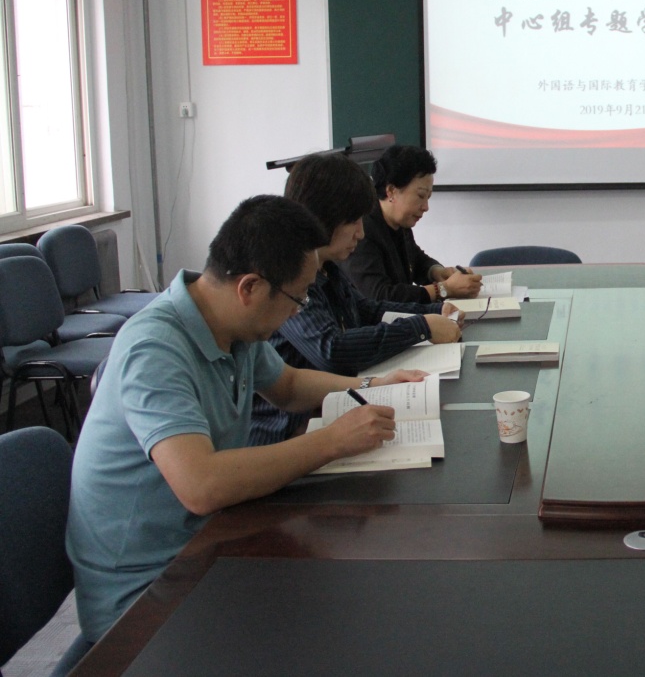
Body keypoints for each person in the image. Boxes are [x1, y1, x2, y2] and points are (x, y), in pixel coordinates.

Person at [66, 196, 427, 646]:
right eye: (297, 297)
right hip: (145, 592)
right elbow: (201, 486)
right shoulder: (154, 349)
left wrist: (371, 386)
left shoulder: (230, 324)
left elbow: (288, 385)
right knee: (335, 628)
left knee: (354, 597)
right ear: (250, 287)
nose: (300, 309)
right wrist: (331, 442)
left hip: (210, 540)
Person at [250, 152, 464, 445]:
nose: (361, 233)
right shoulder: (289, 276)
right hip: (289, 432)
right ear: (322, 218)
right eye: (354, 221)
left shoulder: (328, 265)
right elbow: (331, 350)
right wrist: (420, 326)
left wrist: (434, 310)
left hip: (326, 412)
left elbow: (366, 309)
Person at [344, 144, 482, 304]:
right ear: (391, 191)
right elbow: (380, 295)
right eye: (421, 196)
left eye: (428, 197)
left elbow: (415, 259)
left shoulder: (399, 221)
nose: (426, 207)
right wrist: (444, 289)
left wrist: (436, 272)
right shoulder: (361, 231)